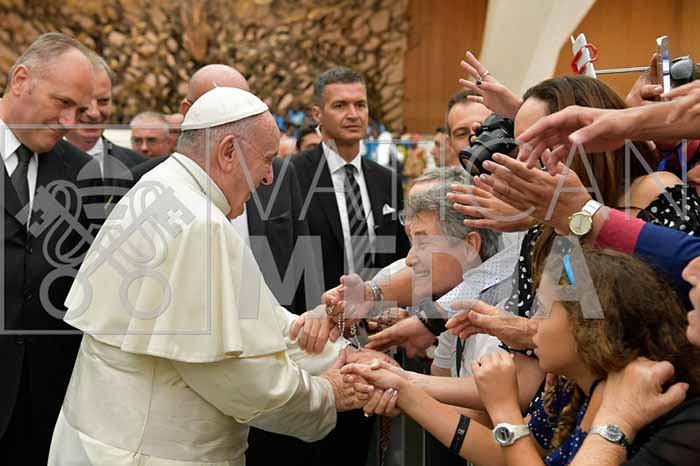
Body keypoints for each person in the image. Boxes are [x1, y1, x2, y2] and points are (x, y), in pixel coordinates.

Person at [48, 87, 377, 466]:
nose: (269, 177)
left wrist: (342, 355)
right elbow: (237, 373)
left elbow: (252, 317)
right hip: (152, 452)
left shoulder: (158, 187)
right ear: (228, 152)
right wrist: (328, 393)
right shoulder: (200, 224)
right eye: (267, 160)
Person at [343, 248, 700, 466]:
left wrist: (503, 409)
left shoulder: (629, 395)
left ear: (588, 327)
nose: (531, 324)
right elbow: (507, 455)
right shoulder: (572, 385)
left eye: (543, 310)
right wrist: (405, 390)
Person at [290, 66, 410, 466]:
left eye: (360, 104)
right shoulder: (291, 175)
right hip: (313, 338)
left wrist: (388, 309)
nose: (353, 114)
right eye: (340, 105)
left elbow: (399, 255)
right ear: (317, 114)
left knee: (357, 449)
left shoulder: (386, 178)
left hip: (371, 338)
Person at [0, 32, 103, 465]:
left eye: (78, 110)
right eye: (62, 103)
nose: (69, 121)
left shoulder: (83, 173)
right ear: (21, 80)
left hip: (47, 410)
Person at [64, 52, 147, 211]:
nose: (94, 113)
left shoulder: (142, 168)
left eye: (103, 101)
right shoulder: (32, 163)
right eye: (85, 101)